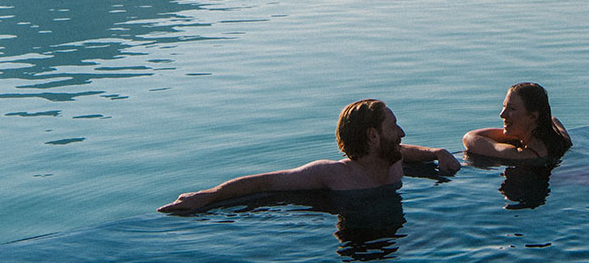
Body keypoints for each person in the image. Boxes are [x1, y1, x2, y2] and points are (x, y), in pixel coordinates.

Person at [159, 99, 459, 214]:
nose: (402, 133)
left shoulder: (392, 160)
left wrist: (436, 152)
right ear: (373, 136)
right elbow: (265, 182)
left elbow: (405, 150)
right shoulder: (332, 174)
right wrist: (208, 195)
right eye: (394, 126)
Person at [462, 82, 571, 162]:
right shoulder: (561, 138)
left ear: (533, 117)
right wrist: (522, 133)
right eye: (504, 106)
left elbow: (470, 138)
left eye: (512, 109)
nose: (502, 114)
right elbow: (552, 119)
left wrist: (514, 134)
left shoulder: (521, 155)